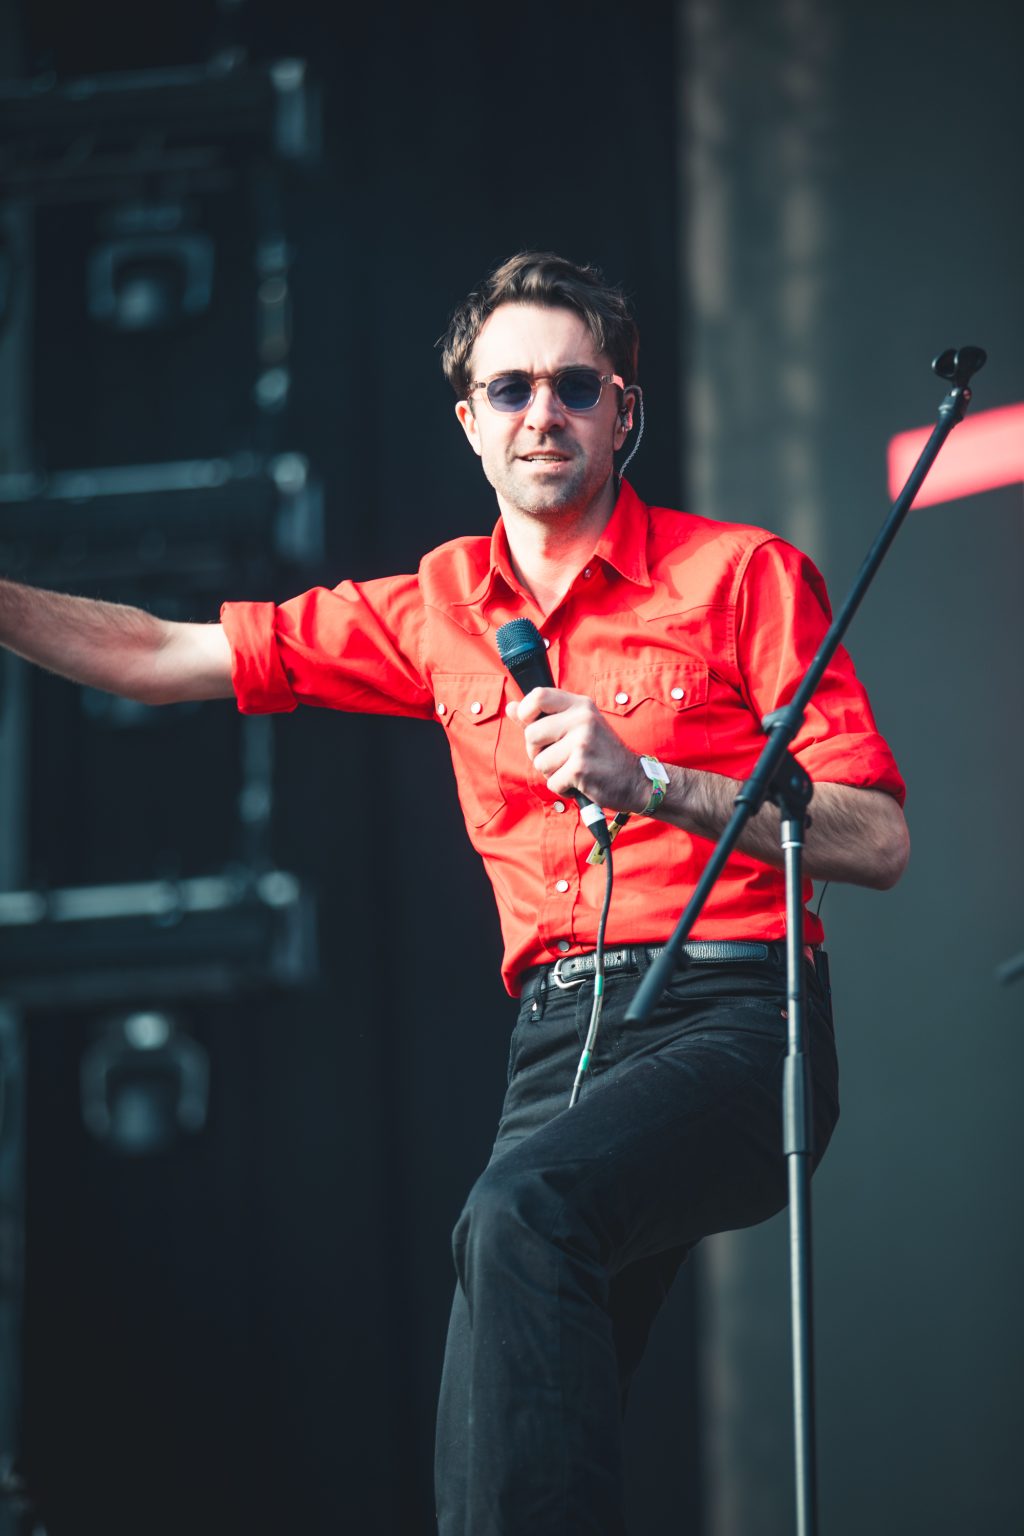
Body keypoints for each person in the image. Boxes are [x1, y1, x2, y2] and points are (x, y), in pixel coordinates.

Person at [0, 252, 908, 1533]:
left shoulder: (740, 576)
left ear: (624, 412)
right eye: (512, 388)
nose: (545, 412)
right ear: (469, 422)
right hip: (554, 1043)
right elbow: (157, 655)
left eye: (577, 386)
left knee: (519, 1212)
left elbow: (875, 838)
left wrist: (650, 781)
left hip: (736, 1020)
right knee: (486, 1424)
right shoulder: (435, 607)